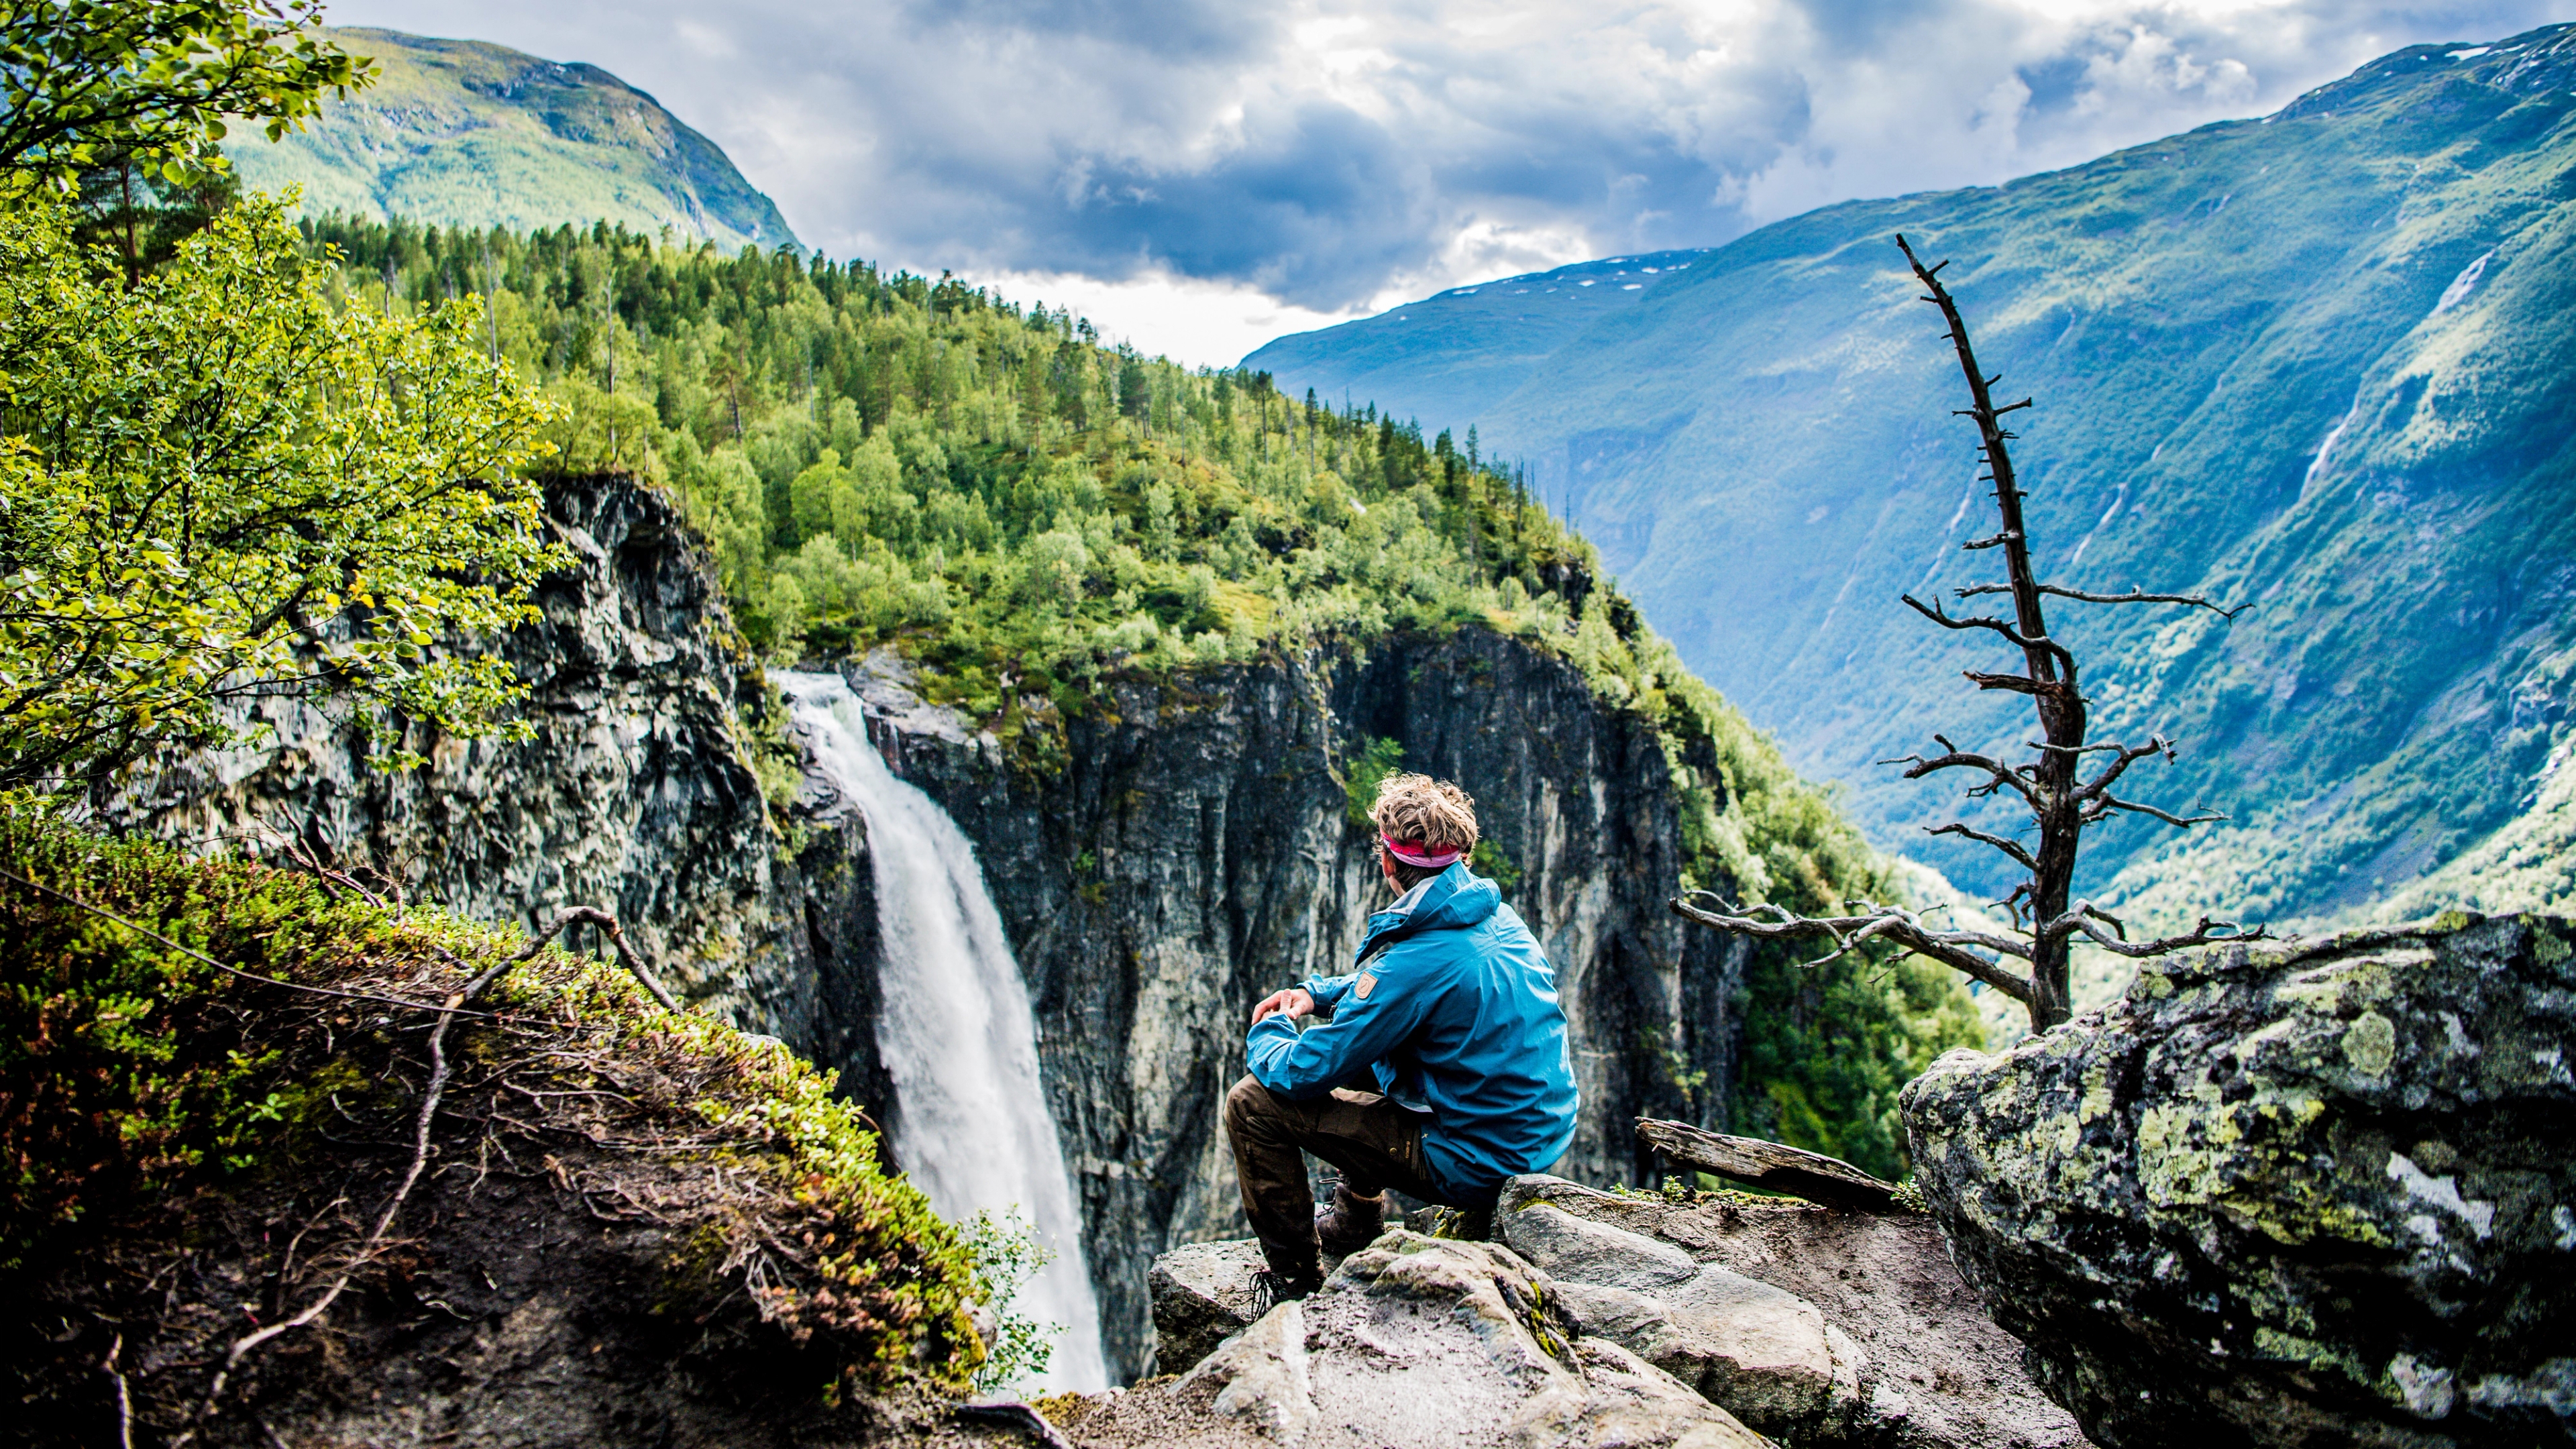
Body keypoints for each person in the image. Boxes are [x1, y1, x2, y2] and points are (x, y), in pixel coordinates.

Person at [1225, 771, 1580, 1299]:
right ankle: (1355, 1223)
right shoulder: (1499, 918)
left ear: (1389, 863)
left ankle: (1295, 1282)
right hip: (1532, 1133)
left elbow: (1306, 1072)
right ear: (1461, 858)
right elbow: (1398, 991)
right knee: (1378, 1048)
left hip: (1478, 1160)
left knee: (1252, 1103)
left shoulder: (1416, 962)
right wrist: (1319, 996)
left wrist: (1273, 1026)